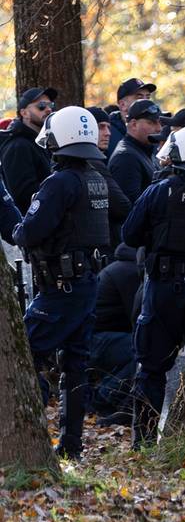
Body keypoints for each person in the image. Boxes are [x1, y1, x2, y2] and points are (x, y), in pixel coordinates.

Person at [13, 106, 110, 458]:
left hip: (60, 291)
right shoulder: (95, 177)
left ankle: (25, 439)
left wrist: (14, 225)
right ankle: (71, 445)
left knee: (22, 356)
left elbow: (30, 232)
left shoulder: (59, 183)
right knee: (75, 365)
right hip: (83, 287)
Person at [123, 125, 185, 448]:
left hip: (164, 289)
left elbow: (129, 234)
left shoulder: (161, 190)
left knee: (151, 367)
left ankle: (144, 443)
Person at [90, 242, 140, 424]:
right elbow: (136, 315)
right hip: (95, 341)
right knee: (142, 349)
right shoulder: (130, 273)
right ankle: (105, 398)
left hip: (98, 338)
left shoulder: (120, 268)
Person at [0, 87, 56, 213]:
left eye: (51, 105)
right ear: (24, 113)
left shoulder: (43, 143)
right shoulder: (17, 146)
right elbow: (23, 196)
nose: (48, 109)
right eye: (41, 106)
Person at [87, 107, 132, 254]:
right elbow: (122, 206)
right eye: (100, 127)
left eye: (108, 127)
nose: (108, 133)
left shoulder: (96, 161)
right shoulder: (92, 163)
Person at [109, 99, 165, 204]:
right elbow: (131, 209)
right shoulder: (126, 157)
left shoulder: (145, 151)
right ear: (134, 124)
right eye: (152, 122)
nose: (159, 128)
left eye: (160, 123)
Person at [107, 78, 156, 159]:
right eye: (139, 98)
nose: (146, 102)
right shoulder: (107, 134)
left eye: (148, 97)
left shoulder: (154, 131)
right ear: (122, 105)